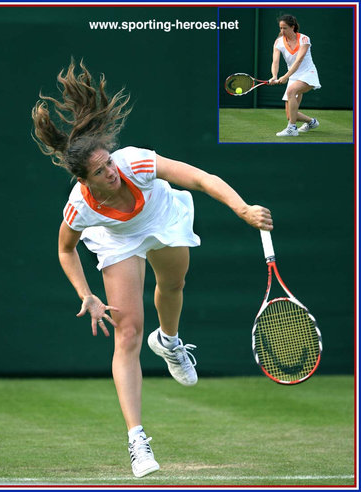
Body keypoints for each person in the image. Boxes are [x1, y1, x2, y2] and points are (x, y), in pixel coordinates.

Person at [31, 60, 273, 478]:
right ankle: (137, 441)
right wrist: (85, 295)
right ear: (84, 181)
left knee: (173, 284)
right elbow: (65, 251)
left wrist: (242, 208)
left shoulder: (135, 163)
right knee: (128, 333)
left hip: (161, 216)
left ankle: (171, 341)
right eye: (101, 172)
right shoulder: (81, 206)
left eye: (109, 163)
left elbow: (200, 177)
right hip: (117, 239)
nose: (111, 172)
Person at [269, 14, 321, 137]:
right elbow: (275, 61)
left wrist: (285, 76)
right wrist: (274, 76)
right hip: (293, 77)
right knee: (291, 114)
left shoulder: (304, 39)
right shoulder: (278, 42)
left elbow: (298, 61)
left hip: (308, 74)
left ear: (293, 27)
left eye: (285, 28)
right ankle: (311, 122)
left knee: (291, 91)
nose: (282, 31)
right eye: (280, 28)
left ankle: (292, 129)